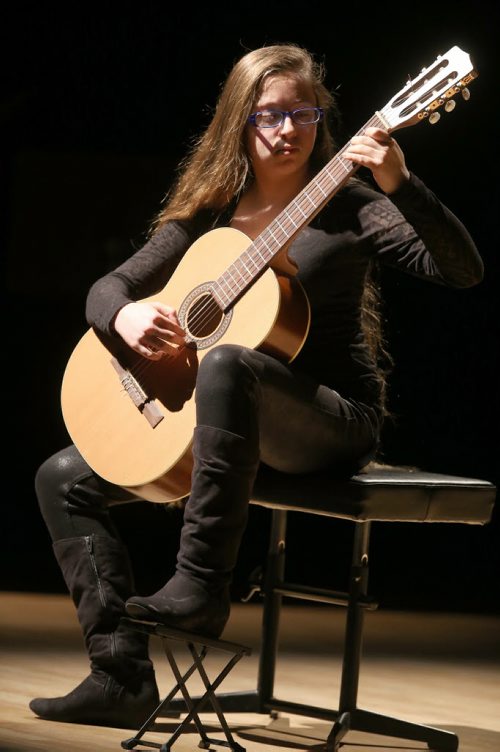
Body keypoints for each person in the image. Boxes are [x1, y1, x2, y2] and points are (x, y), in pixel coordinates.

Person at [29, 43, 483, 729]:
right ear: (239, 123)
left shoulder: (352, 207)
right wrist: (124, 313)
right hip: (227, 427)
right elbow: (107, 288)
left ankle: (202, 588)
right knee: (61, 477)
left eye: (305, 113)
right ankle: (119, 675)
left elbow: (462, 270)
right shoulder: (211, 211)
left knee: (229, 362)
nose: (288, 129)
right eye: (269, 115)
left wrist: (401, 182)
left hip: (328, 421)